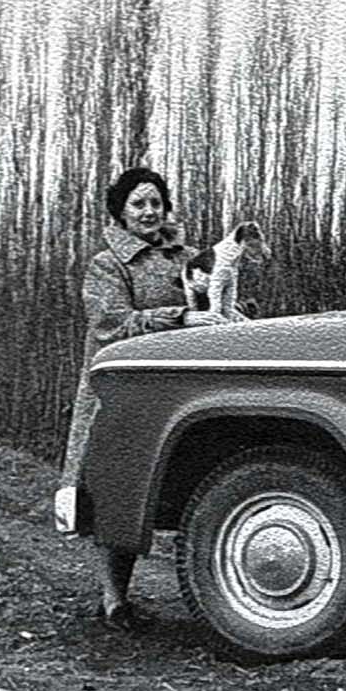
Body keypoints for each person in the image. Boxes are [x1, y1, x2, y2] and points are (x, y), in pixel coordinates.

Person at [60, 168, 228, 630]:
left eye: (156, 202)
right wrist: (179, 318)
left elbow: (211, 308)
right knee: (119, 489)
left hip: (184, 391)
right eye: (138, 204)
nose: (150, 212)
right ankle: (115, 601)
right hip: (123, 390)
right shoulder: (107, 265)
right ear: (120, 212)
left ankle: (218, 597)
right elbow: (110, 324)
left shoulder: (192, 258)